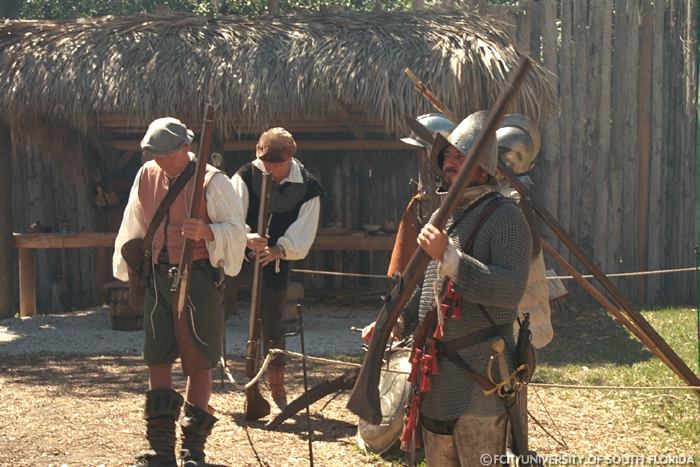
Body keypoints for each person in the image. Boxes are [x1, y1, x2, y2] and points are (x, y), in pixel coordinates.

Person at [363, 111, 532, 465]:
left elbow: (508, 290)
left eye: (461, 155)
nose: (450, 161)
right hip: (437, 377)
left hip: (481, 375)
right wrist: (396, 321)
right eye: (448, 155)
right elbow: (429, 288)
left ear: (483, 167)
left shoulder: (506, 217)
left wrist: (451, 259)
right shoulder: (450, 215)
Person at [113, 117, 247, 467]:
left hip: (200, 278)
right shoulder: (146, 176)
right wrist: (130, 267)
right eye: (154, 154)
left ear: (185, 148)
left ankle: (193, 451)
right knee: (157, 357)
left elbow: (236, 231)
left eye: (165, 154)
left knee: (199, 362)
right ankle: (160, 451)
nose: (159, 160)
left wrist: (207, 231)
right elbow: (135, 224)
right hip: (158, 278)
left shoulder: (213, 182)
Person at [229, 127, 323, 413]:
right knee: (216, 307)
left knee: (272, 324)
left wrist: (278, 249)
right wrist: (245, 238)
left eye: (276, 162)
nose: (270, 167)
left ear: (290, 157)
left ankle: (276, 385)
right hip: (237, 254)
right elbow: (229, 216)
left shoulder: (309, 187)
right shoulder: (245, 177)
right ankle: (215, 382)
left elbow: (303, 232)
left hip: (275, 261)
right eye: (266, 161)